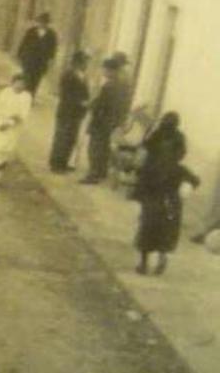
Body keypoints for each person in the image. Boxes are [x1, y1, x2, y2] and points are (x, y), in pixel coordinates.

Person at [131, 112, 198, 275]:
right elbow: (195, 180)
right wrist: (185, 190)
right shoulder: (178, 167)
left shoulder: (151, 163)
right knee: (165, 234)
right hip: (170, 205)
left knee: (146, 232)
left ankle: (143, 264)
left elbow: (145, 148)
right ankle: (161, 259)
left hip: (152, 202)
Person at [80, 57, 132, 184]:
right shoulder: (122, 85)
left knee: (95, 148)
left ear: (111, 70)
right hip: (111, 122)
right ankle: (101, 172)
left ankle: (93, 174)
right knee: (103, 148)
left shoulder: (109, 86)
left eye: (105, 69)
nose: (103, 71)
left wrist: (89, 105)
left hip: (101, 121)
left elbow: (100, 103)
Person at [0, 74, 34, 188]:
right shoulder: (5, 92)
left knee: (5, 152)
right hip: (0, 125)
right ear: (12, 82)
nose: (19, 85)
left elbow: (23, 114)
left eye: (22, 83)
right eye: (17, 82)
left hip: (13, 129)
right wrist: (4, 119)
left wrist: (11, 122)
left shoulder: (26, 97)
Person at [49, 51, 90, 173]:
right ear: (77, 62)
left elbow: (84, 92)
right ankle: (56, 164)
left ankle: (63, 162)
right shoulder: (68, 74)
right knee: (62, 137)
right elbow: (66, 94)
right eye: (85, 61)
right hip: (67, 111)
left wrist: (85, 103)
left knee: (71, 138)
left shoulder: (82, 75)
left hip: (76, 113)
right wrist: (80, 102)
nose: (86, 64)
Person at [16, 13, 58, 94]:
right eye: (41, 22)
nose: (42, 24)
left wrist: (51, 60)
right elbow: (24, 43)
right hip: (29, 61)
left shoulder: (51, 35)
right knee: (27, 80)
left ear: (47, 23)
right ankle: (24, 98)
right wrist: (20, 56)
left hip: (41, 63)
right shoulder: (31, 31)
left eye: (45, 22)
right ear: (38, 22)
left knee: (35, 82)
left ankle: (30, 99)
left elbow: (53, 49)